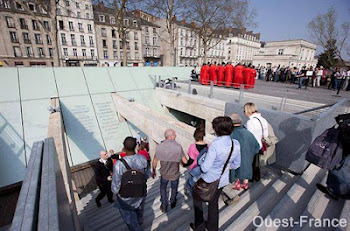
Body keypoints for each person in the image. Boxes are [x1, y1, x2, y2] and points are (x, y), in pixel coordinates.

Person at [190, 116, 240, 231]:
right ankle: (213, 228)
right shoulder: (235, 144)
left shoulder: (215, 144)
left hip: (209, 179)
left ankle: (200, 227)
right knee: (213, 203)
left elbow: (206, 167)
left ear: (217, 130)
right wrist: (224, 167)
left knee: (197, 200)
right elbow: (236, 164)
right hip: (222, 180)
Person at [112, 137, 149, 231]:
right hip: (140, 193)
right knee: (139, 212)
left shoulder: (119, 164)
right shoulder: (143, 159)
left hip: (125, 198)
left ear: (123, 147)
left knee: (130, 221)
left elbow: (115, 187)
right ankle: (139, 222)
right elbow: (147, 175)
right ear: (136, 146)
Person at [152, 129, 188, 213]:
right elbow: (185, 161)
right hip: (175, 174)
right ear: (170, 136)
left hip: (164, 174)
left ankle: (164, 205)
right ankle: (173, 202)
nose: (176, 136)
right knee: (174, 188)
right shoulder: (178, 147)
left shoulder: (159, 146)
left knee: (163, 188)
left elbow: (154, 160)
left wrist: (153, 171)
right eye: (175, 134)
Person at [229, 113, 260, 190]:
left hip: (236, 160)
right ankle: (245, 183)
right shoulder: (248, 133)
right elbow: (257, 146)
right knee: (246, 167)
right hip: (247, 158)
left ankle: (237, 183)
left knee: (236, 169)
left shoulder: (231, 134)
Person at [244, 102, 268, 182]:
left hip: (251, 146)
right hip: (260, 145)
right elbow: (266, 134)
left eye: (244, 111)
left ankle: (250, 178)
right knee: (256, 162)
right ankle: (256, 177)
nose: (244, 113)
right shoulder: (263, 120)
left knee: (250, 162)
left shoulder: (250, 122)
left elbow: (248, 136)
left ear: (248, 111)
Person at [184, 123, 208, 195]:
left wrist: (185, 164)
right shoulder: (208, 146)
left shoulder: (192, 146)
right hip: (203, 168)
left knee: (192, 183)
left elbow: (191, 160)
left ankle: (193, 195)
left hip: (194, 168)